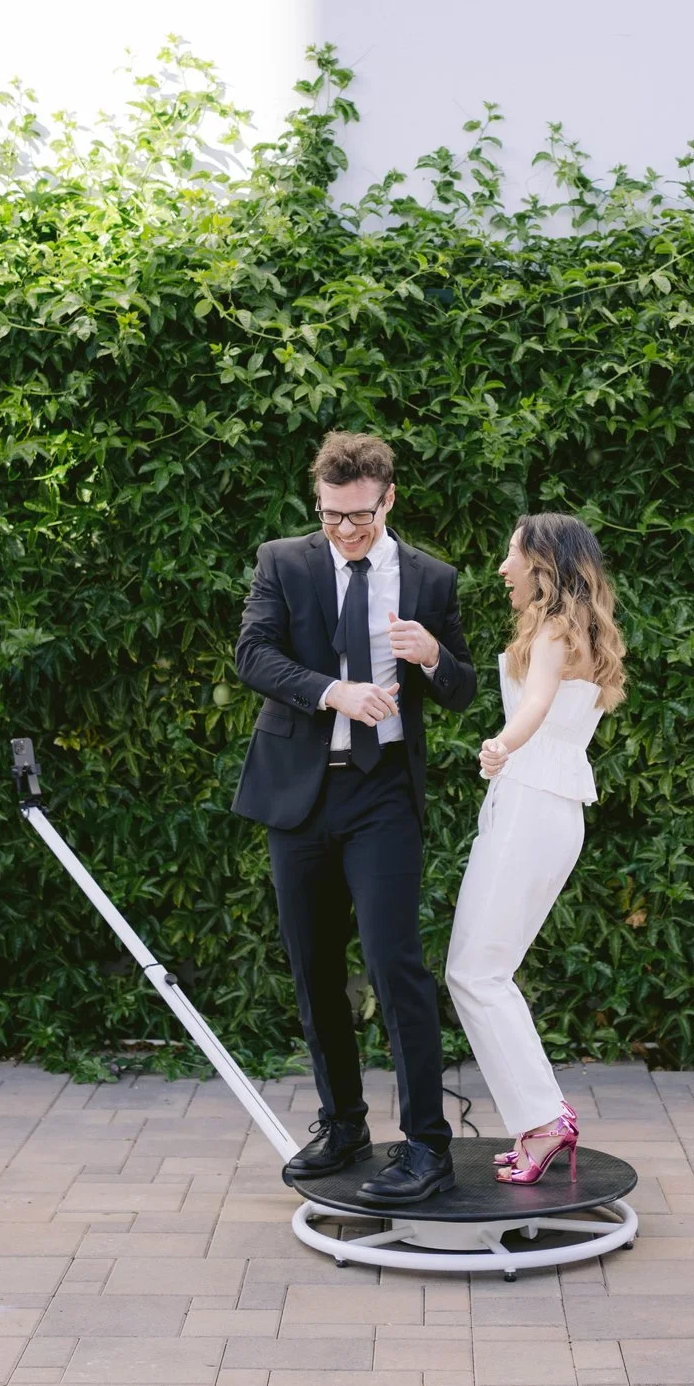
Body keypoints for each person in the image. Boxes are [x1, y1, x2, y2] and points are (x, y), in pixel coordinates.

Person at [232, 431, 477, 1204]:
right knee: (313, 966)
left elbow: (463, 688)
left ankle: (428, 1145)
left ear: (389, 498)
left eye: (360, 517)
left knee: (394, 963)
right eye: (331, 515)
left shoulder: (430, 577)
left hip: (382, 794)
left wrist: (432, 654)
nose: (345, 530)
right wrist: (333, 691)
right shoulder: (284, 561)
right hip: (300, 794)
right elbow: (252, 655)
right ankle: (343, 1125)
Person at [445, 513, 625, 1185]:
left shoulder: (553, 629)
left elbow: (539, 704)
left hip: (531, 800)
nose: (502, 568)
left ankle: (545, 1120)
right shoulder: (577, 630)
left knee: (476, 972)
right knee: (481, 971)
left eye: (512, 555)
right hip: (548, 805)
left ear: (543, 563)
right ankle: (540, 1118)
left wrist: (502, 743)